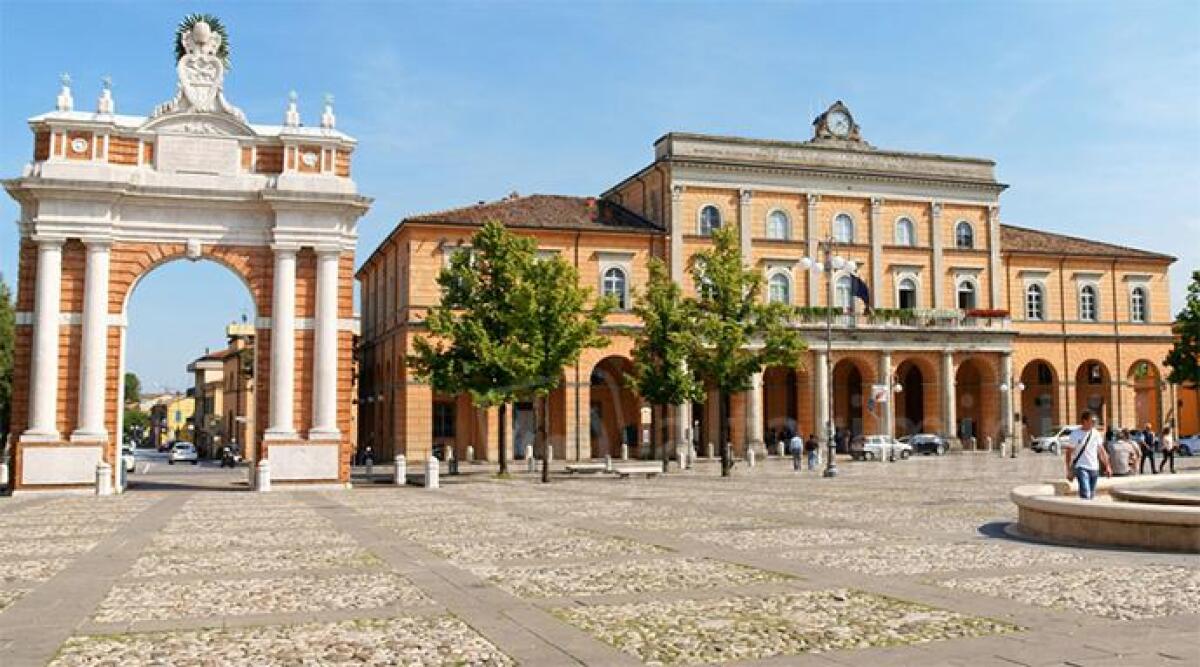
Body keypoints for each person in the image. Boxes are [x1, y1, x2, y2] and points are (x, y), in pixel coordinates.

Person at [1064, 410, 1111, 500]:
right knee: (1085, 492)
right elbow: (1068, 452)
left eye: (1095, 421)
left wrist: (1107, 466)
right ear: (1084, 421)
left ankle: (1088, 511)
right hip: (1081, 467)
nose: (1094, 423)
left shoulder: (1096, 433)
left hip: (1094, 468)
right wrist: (1069, 469)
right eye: (1092, 421)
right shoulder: (1075, 434)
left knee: (1092, 494)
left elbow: (1101, 451)